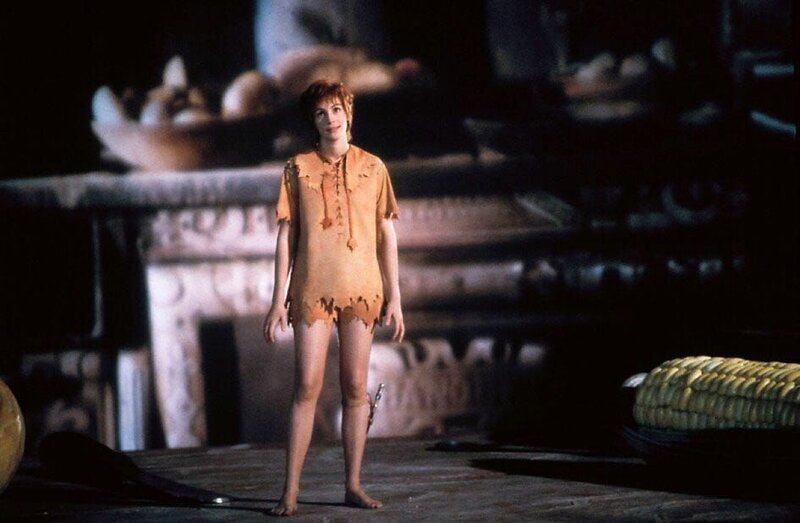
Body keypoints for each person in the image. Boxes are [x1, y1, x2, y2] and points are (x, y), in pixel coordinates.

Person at [263, 79, 404, 517]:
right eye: (321, 113)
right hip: (311, 291)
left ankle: (353, 484)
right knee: (307, 386)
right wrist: (277, 300)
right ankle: (290, 491)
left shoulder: (374, 168)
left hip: (363, 290)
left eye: (337, 109)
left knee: (356, 387)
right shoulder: (297, 168)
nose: (331, 119)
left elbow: (386, 235)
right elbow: (286, 237)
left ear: (349, 112)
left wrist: (396, 298)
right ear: (313, 121)